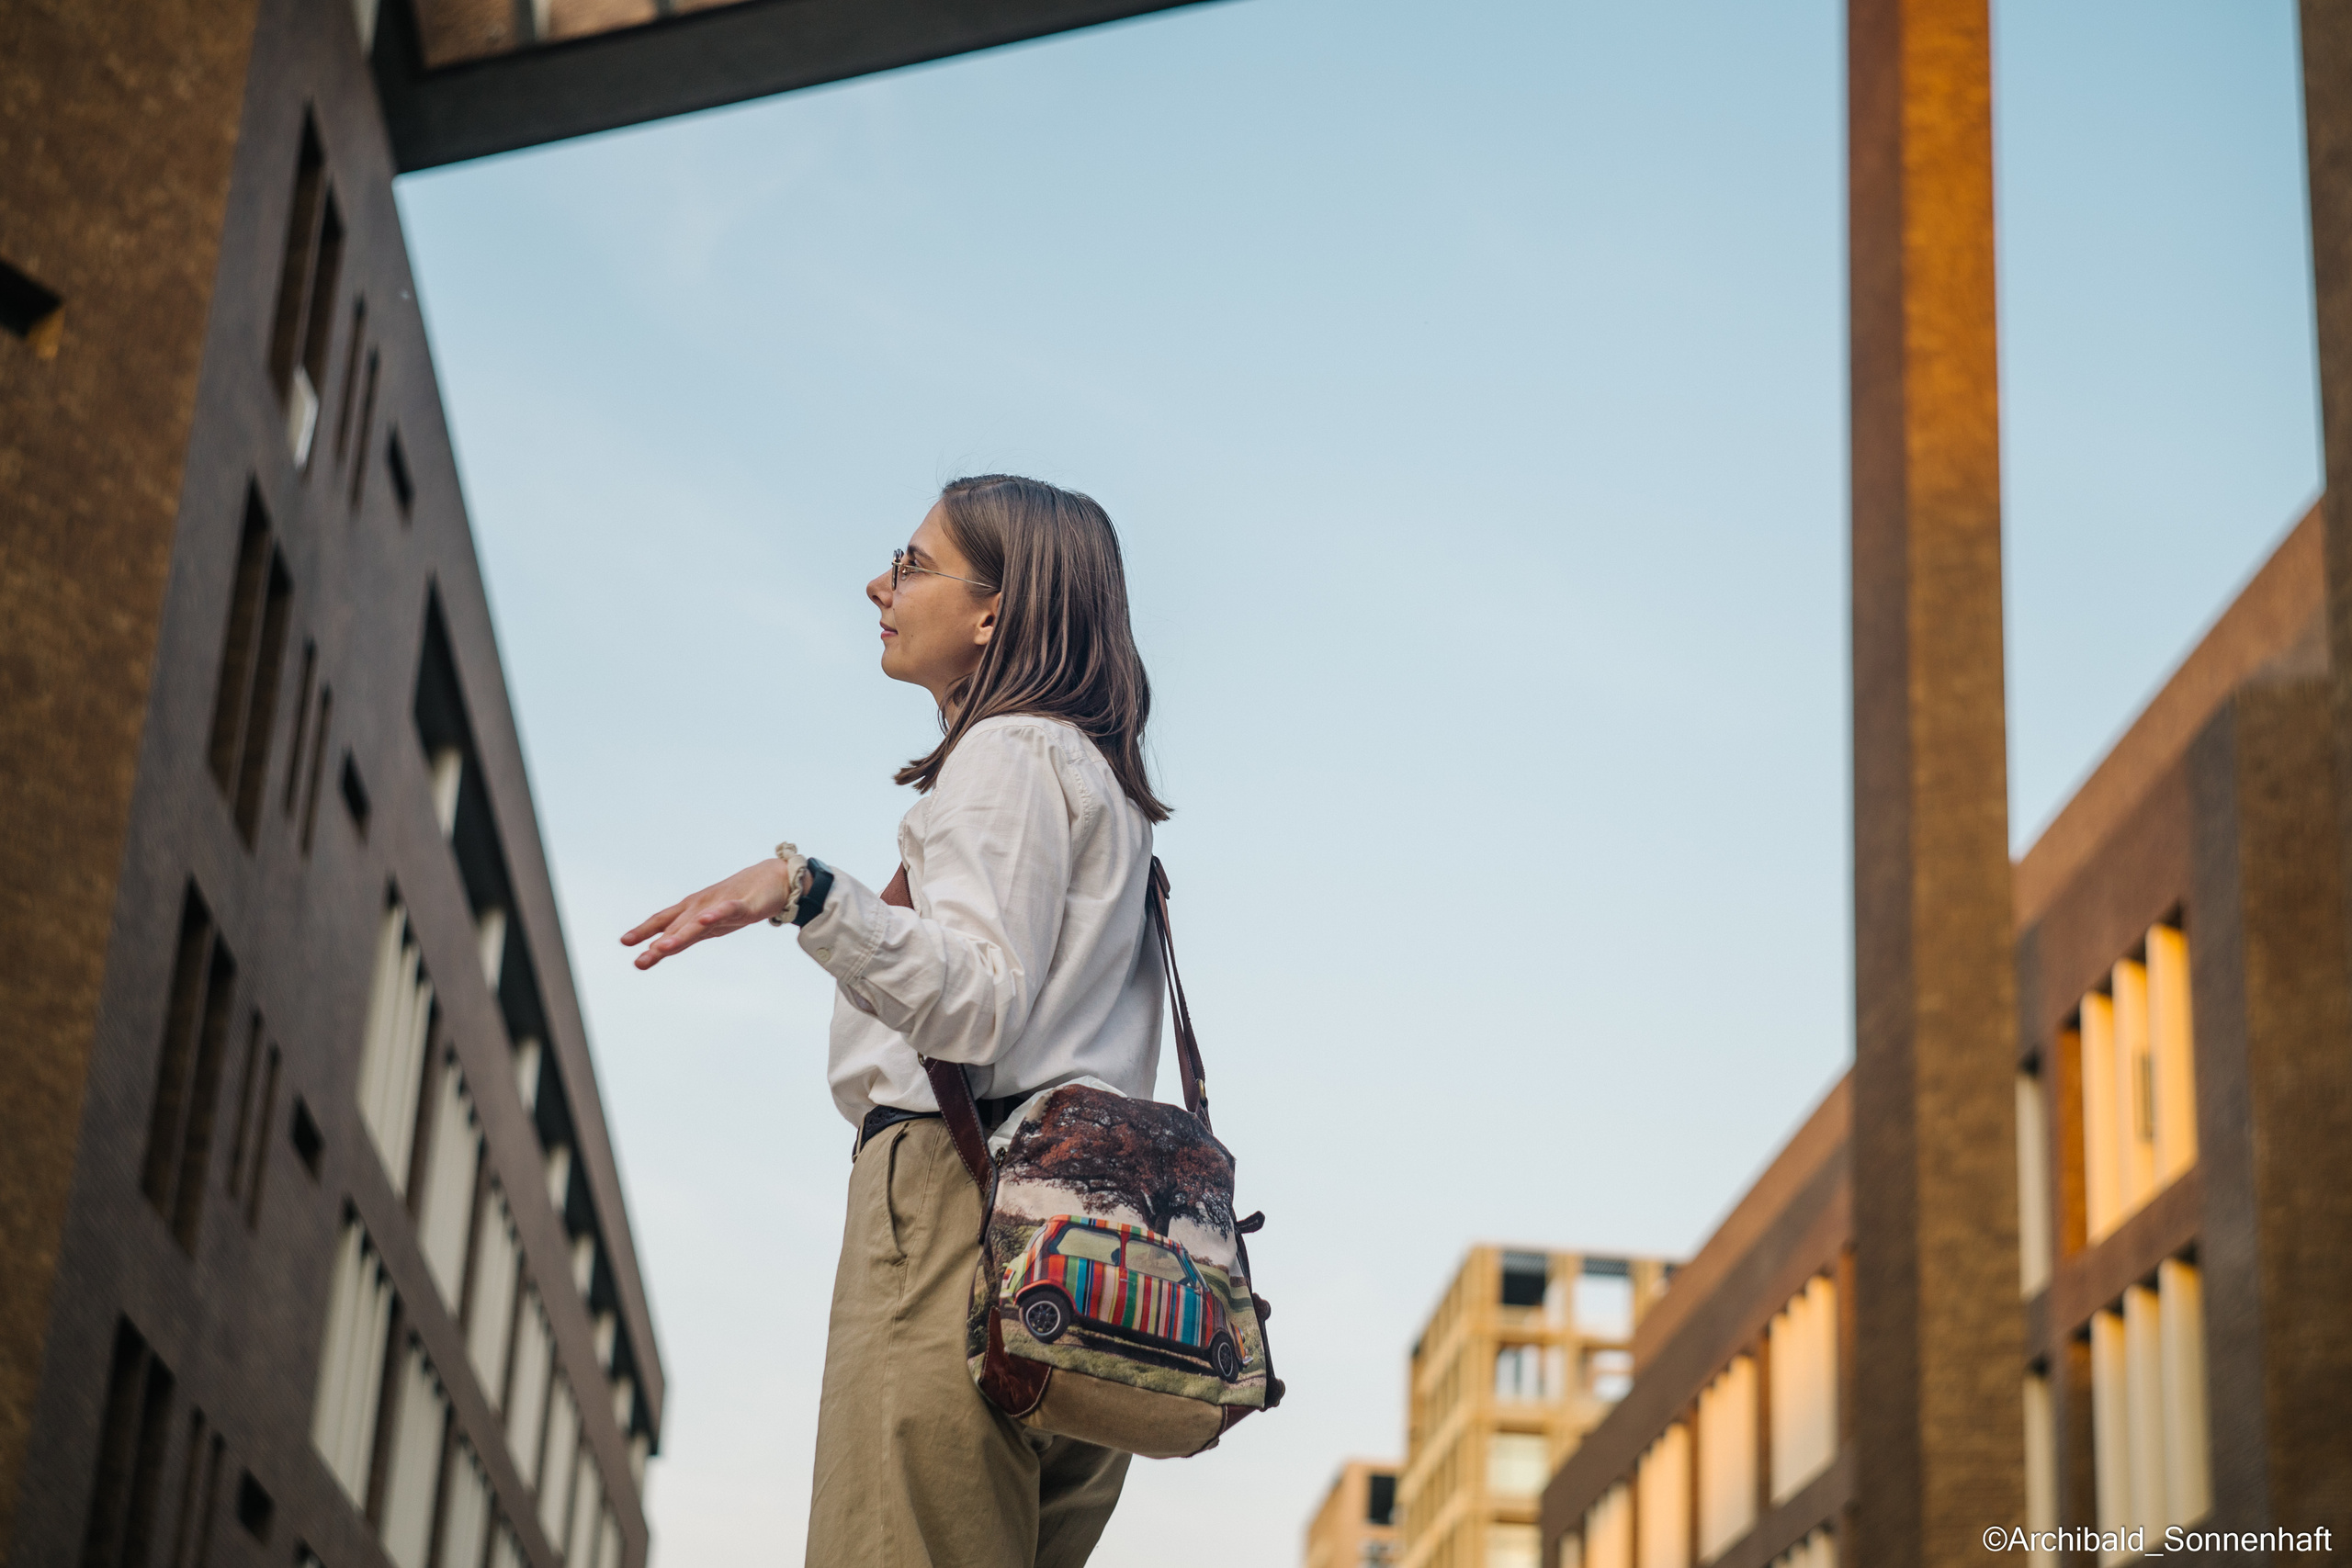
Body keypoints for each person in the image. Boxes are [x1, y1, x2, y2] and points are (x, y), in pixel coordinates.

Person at [621, 474, 1172, 1567]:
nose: (880, 583)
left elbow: (974, 998)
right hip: (1094, 1242)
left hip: (956, 1206)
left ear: (992, 612)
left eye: (913, 564)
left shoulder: (1007, 754)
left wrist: (803, 892)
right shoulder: (1098, 784)